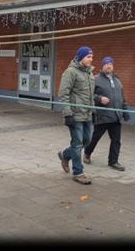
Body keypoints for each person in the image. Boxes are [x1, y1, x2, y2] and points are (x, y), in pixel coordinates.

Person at [57, 46, 95, 185]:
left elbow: (90, 95)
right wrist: (68, 114)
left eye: (91, 57)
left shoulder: (90, 73)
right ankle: (78, 172)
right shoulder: (70, 72)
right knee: (78, 143)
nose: (91, 59)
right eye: (88, 57)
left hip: (88, 114)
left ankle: (65, 155)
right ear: (80, 57)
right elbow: (63, 94)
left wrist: (93, 112)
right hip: (75, 115)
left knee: (87, 140)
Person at [84, 56, 130, 171]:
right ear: (102, 66)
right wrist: (99, 99)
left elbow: (122, 98)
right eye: (106, 64)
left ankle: (113, 161)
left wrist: (125, 111)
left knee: (116, 140)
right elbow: (88, 95)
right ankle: (87, 153)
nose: (109, 66)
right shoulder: (95, 79)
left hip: (116, 116)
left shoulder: (117, 81)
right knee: (95, 138)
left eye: (111, 64)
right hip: (102, 116)